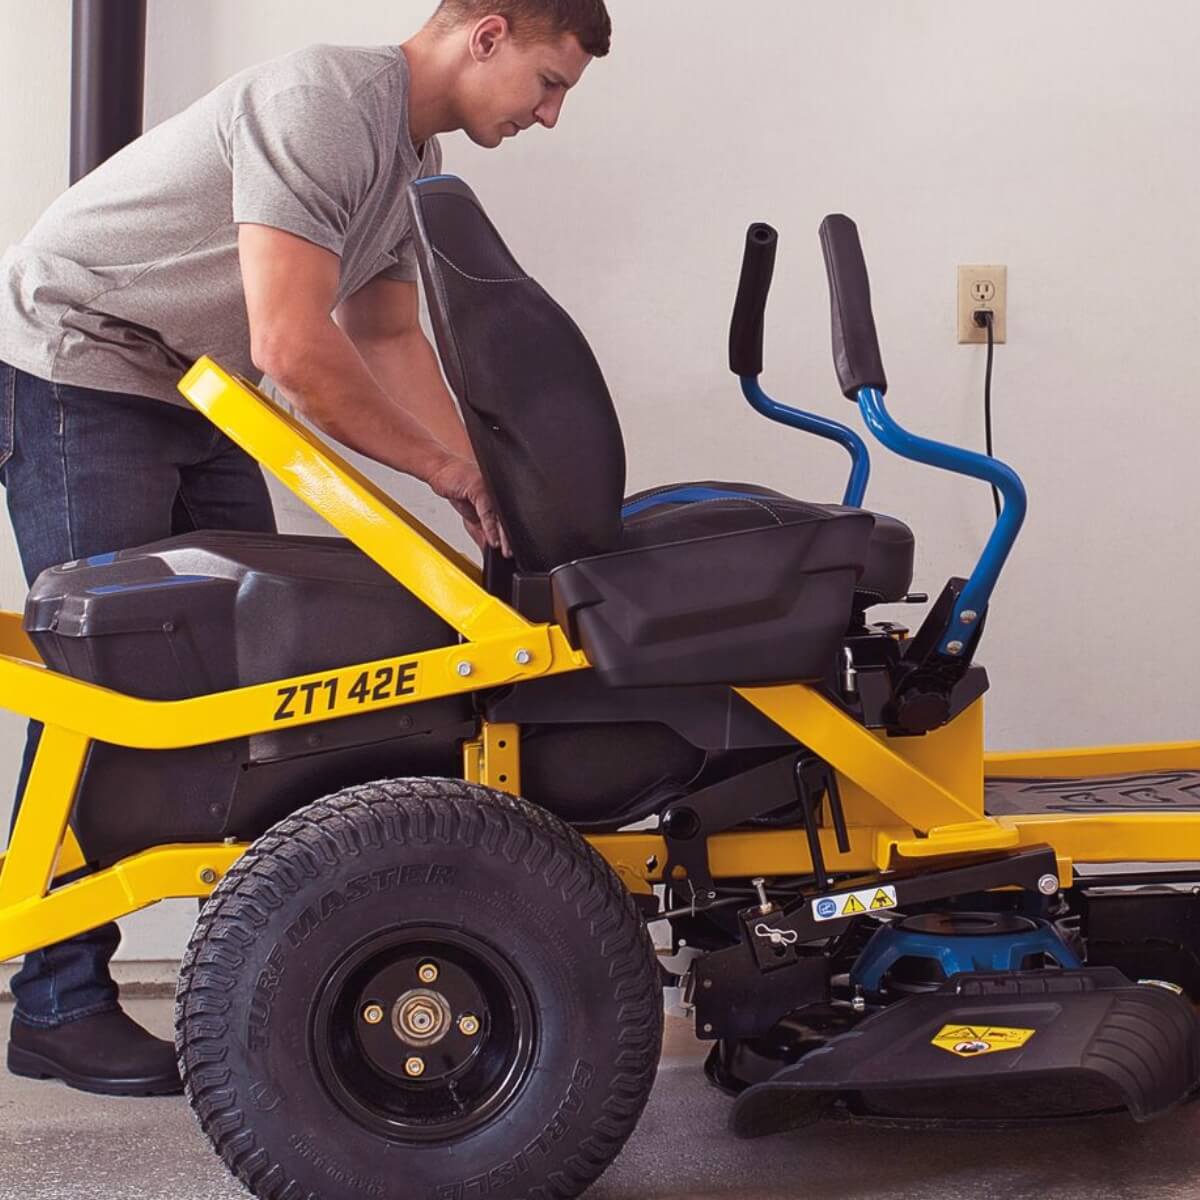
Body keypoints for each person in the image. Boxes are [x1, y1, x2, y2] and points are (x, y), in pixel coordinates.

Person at [0, 0, 611, 1096]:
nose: (551, 116)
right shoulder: (326, 103)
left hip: (196, 385)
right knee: (112, 686)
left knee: (255, 680)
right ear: (487, 34)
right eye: (549, 81)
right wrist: (445, 470)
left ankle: (251, 962)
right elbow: (292, 342)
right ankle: (57, 1004)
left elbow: (382, 334)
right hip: (80, 364)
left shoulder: (403, 153)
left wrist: (480, 485)